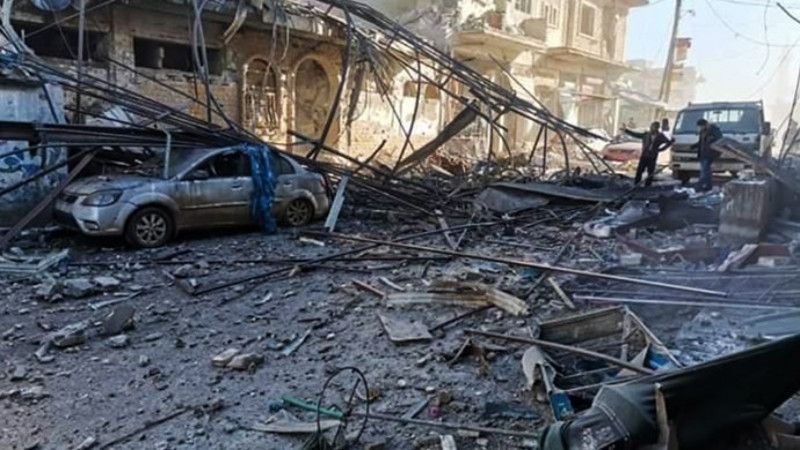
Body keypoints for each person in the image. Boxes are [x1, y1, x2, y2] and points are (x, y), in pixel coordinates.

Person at [623, 121, 674, 187]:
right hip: (644, 155)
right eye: (651, 127)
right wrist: (626, 130)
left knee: (650, 172)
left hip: (652, 157)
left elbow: (669, 142)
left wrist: (660, 149)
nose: (652, 128)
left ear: (657, 128)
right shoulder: (646, 135)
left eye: (654, 127)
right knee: (640, 170)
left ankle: (648, 185)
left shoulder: (660, 136)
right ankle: (636, 184)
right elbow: (636, 134)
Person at [691, 118, 722, 191]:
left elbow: (719, 141)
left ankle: (699, 186)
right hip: (703, 154)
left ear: (705, 125)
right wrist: (693, 146)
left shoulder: (714, 131)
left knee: (704, 171)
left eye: (701, 126)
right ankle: (708, 186)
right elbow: (701, 142)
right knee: (706, 171)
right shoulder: (702, 132)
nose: (700, 128)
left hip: (710, 154)